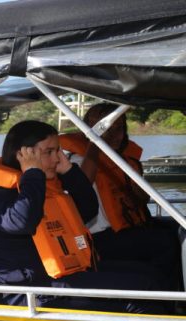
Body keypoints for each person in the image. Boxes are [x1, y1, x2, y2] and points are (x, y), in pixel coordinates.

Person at [0, 120, 167, 314]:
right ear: (23, 155)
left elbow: (87, 210)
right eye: (49, 152)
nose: (57, 158)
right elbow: (23, 222)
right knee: (141, 293)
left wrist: (68, 170)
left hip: (60, 277)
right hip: (31, 291)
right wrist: (32, 174)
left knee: (150, 276)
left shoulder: (46, 189)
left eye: (58, 151)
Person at [60, 103, 180, 289]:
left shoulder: (123, 161)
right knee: (165, 243)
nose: (115, 135)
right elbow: (82, 184)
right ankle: (165, 295)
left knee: (176, 228)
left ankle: (172, 291)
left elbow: (144, 199)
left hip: (127, 227)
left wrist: (133, 185)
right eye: (107, 130)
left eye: (120, 129)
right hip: (100, 238)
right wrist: (95, 141)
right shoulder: (79, 161)